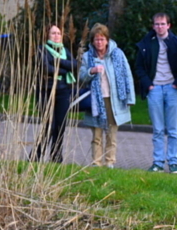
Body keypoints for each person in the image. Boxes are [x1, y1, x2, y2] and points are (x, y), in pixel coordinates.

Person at [77, 24, 135, 168]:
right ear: (92, 42)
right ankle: (96, 163)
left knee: (111, 134)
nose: (99, 43)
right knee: (96, 135)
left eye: (102, 39)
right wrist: (92, 71)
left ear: (107, 40)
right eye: (96, 40)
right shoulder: (87, 57)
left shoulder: (118, 54)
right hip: (95, 101)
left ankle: (110, 162)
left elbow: (127, 76)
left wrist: (130, 98)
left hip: (113, 100)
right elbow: (81, 77)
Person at [135, 13, 177, 173]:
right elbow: (139, 67)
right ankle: (157, 162)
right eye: (157, 24)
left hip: (172, 88)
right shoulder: (146, 44)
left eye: (163, 24)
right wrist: (148, 85)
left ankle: (174, 162)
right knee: (157, 129)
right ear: (153, 26)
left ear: (169, 25)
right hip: (155, 88)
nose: (160, 27)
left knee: (173, 129)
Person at [35, 24, 77, 164]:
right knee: (48, 126)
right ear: (47, 35)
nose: (57, 36)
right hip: (46, 91)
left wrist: (57, 62)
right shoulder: (42, 50)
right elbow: (46, 69)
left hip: (63, 91)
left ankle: (56, 157)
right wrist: (65, 69)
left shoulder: (65, 51)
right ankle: (36, 156)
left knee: (60, 126)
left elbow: (75, 65)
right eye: (53, 33)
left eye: (59, 33)